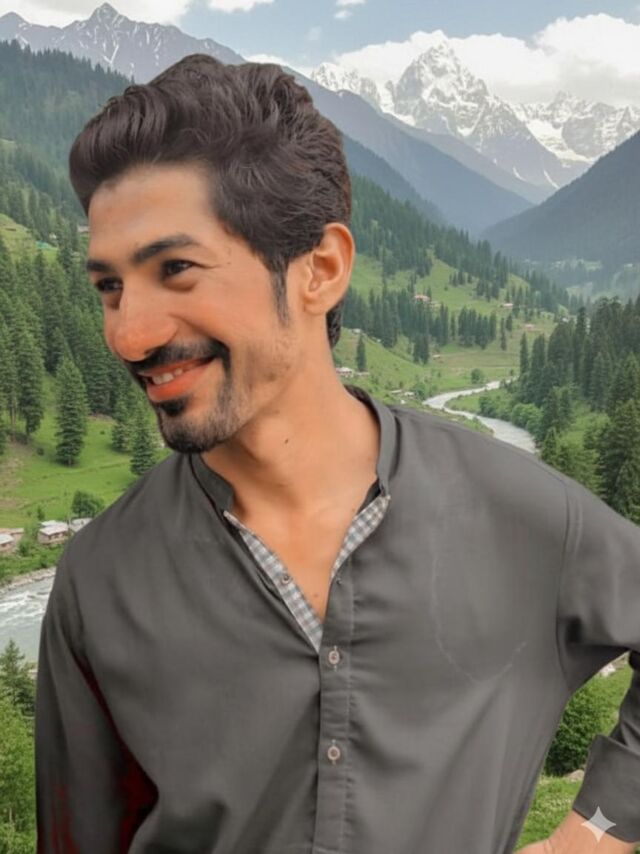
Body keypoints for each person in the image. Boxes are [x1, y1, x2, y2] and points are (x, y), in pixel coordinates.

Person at [35, 53, 640, 854]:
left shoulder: (522, 513)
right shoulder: (98, 580)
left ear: (320, 270)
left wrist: (596, 833)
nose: (128, 334)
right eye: (109, 286)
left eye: (175, 269)